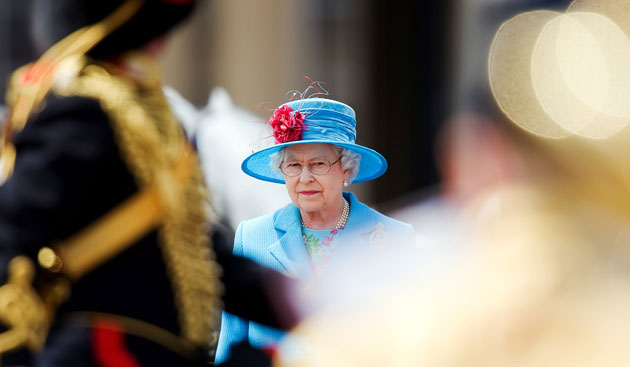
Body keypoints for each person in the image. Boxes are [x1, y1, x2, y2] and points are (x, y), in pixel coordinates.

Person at [0, 1, 299, 365]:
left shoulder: (143, 112)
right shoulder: (84, 110)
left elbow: (193, 251)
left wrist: (300, 300)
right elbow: (13, 234)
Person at [215, 97, 416, 363]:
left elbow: (412, 345)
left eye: (318, 164)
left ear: (347, 168)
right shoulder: (251, 236)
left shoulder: (395, 238)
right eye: (294, 165)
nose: (305, 178)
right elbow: (230, 344)